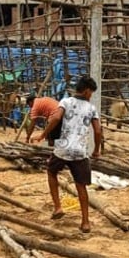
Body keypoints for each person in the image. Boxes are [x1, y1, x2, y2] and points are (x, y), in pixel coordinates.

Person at [33, 75, 103, 234]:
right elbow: (98, 131)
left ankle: (58, 207)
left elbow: (56, 117)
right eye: (91, 93)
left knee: (51, 172)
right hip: (80, 152)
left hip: (62, 149)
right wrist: (96, 150)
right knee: (81, 186)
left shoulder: (65, 101)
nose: (90, 95)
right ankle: (85, 222)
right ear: (86, 91)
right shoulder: (91, 108)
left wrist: (43, 135)